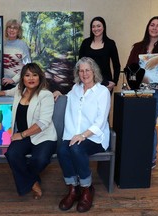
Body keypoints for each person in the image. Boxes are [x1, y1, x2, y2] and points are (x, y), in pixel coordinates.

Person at [0, 63, 57, 199]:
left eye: (34, 75)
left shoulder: (45, 95)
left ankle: (29, 180)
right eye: (27, 75)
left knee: (40, 159)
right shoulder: (20, 91)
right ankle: (33, 182)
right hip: (24, 136)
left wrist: (22, 134)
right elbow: (6, 92)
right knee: (12, 154)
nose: (31, 78)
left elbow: (43, 123)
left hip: (43, 136)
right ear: (22, 78)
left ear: (40, 77)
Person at [54, 57, 110, 213]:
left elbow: (100, 121)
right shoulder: (76, 89)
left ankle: (86, 188)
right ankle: (73, 188)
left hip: (94, 136)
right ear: (78, 73)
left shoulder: (102, 91)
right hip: (74, 135)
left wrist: (83, 135)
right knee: (62, 150)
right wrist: (59, 92)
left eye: (88, 70)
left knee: (76, 149)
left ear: (94, 71)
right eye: (81, 70)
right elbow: (67, 97)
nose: (85, 74)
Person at [126, 16, 158, 169]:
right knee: (139, 122)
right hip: (140, 91)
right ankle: (137, 153)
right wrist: (133, 84)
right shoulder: (138, 46)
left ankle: (150, 158)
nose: (155, 28)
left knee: (149, 122)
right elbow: (130, 68)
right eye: (152, 25)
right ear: (148, 27)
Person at [79, 16, 121, 92]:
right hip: (88, 83)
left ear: (103, 27)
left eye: (98, 26)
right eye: (93, 27)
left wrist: (114, 82)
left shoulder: (110, 43)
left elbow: (116, 65)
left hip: (106, 84)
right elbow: (79, 63)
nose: (96, 29)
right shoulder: (85, 43)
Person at [2, 19, 31, 90]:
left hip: (17, 85)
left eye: (15, 28)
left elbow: (27, 66)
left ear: (18, 31)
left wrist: (13, 80)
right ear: (6, 30)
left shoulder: (22, 45)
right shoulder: (2, 44)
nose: (12, 30)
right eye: (9, 27)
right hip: (3, 84)